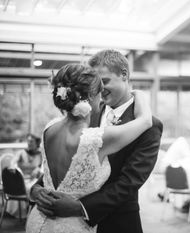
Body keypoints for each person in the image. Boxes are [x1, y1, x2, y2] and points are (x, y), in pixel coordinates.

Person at [30, 51, 163, 233]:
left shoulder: (151, 126)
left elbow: (129, 182)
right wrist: (37, 188)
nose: (99, 89)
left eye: (105, 81)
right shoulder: (85, 111)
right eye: (96, 84)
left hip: (116, 223)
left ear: (124, 74)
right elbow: (66, 164)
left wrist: (80, 207)